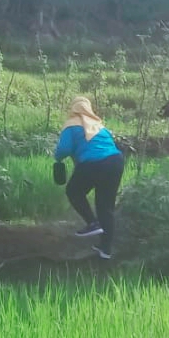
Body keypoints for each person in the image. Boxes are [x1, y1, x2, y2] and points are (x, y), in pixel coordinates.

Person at [54, 97, 124, 260]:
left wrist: (57, 158)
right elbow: (106, 146)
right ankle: (105, 250)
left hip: (93, 163)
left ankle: (92, 223)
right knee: (105, 206)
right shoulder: (99, 125)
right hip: (115, 162)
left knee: (73, 191)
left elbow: (64, 148)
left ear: (74, 109)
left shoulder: (71, 124)